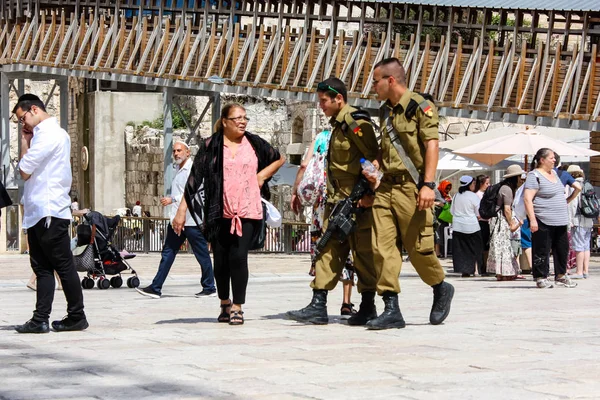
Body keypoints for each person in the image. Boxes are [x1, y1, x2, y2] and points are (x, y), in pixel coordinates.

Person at [363, 57, 454, 330]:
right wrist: (375, 165)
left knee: (418, 250)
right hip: (386, 186)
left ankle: (440, 286)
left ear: (391, 80)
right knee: (381, 248)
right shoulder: (384, 112)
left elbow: (432, 145)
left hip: (411, 189)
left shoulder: (420, 107)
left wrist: (428, 185)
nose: (373, 87)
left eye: (376, 81)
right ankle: (391, 308)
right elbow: (386, 147)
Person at [175, 103, 284, 326]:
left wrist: (261, 176)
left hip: (248, 210)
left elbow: (278, 158)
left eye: (245, 118)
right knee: (221, 261)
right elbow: (194, 179)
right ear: (225, 121)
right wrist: (181, 211)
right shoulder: (211, 145)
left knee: (238, 257)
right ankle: (224, 302)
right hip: (219, 212)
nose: (242, 122)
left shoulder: (254, 143)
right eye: (237, 118)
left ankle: (238, 306)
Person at [286, 77, 379, 326]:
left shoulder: (356, 123)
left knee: (362, 255)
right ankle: (318, 304)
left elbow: (373, 159)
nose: (321, 106)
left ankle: (368, 305)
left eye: (324, 101)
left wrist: (368, 193)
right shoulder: (337, 125)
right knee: (326, 250)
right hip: (336, 203)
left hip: (357, 204)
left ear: (339, 99)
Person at [13, 93, 88, 333]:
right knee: (42, 268)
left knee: (63, 266)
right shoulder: (45, 135)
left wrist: (25, 141)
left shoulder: (50, 135)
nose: (22, 124)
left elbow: (24, 170)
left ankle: (77, 315)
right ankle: (40, 318)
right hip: (40, 212)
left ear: (34, 110)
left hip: (49, 212)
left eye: (22, 118)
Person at [290, 129, 357, 318]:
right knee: (347, 252)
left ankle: (320, 300)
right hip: (344, 201)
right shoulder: (349, 134)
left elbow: (304, 165)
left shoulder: (320, 137)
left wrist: (296, 192)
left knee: (323, 248)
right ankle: (346, 303)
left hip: (321, 205)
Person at [136, 141, 216, 299]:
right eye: (174, 151)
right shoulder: (177, 169)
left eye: (179, 150)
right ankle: (156, 287)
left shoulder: (193, 169)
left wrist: (172, 199)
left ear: (188, 152)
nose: (176, 154)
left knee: (202, 254)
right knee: (168, 252)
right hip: (177, 221)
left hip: (191, 220)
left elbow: (193, 191)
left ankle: (209, 287)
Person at [524, 148, 577, 289]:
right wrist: (533, 220)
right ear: (542, 160)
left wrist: (568, 200)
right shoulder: (534, 175)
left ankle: (561, 275)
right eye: (552, 158)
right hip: (543, 218)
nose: (555, 160)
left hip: (560, 219)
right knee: (542, 249)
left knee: (562, 248)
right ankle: (541, 277)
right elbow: (528, 199)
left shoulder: (554, 173)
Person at [487, 165, 524, 281]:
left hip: (497, 220)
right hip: (501, 221)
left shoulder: (503, 187)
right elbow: (507, 209)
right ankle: (504, 272)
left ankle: (501, 272)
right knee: (504, 246)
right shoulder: (507, 189)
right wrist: (512, 223)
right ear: (515, 177)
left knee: (499, 247)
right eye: (520, 177)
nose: (521, 179)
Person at [449, 175, 482, 277]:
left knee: (461, 250)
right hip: (472, 226)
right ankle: (475, 269)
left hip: (458, 226)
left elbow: (452, 211)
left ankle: (465, 270)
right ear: (470, 184)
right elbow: (478, 213)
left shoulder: (456, 196)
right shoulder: (473, 196)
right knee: (474, 248)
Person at [566, 165, 593, 279]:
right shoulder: (588, 185)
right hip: (589, 220)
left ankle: (579, 272)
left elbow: (572, 205)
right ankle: (585, 270)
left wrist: (570, 220)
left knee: (578, 247)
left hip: (578, 220)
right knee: (586, 246)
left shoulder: (574, 186)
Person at [475, 174, 491, 272]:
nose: (488, 185)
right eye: (486, 183)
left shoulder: (486, 194)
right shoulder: (478, 195)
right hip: (481, 222)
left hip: (486, 222)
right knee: (482, 246)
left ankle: (485, 266)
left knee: (486, 246)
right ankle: (481, 266)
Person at [435, 180, 453, 257]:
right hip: (437, 217)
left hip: (444, 218)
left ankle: (442, 251)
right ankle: (437, 252)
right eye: (446, 188)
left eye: (449, 188)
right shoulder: (437, 193)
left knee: (442, 234)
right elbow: (440, 202)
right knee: (438, 234)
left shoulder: (446, 194)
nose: (448, 190)